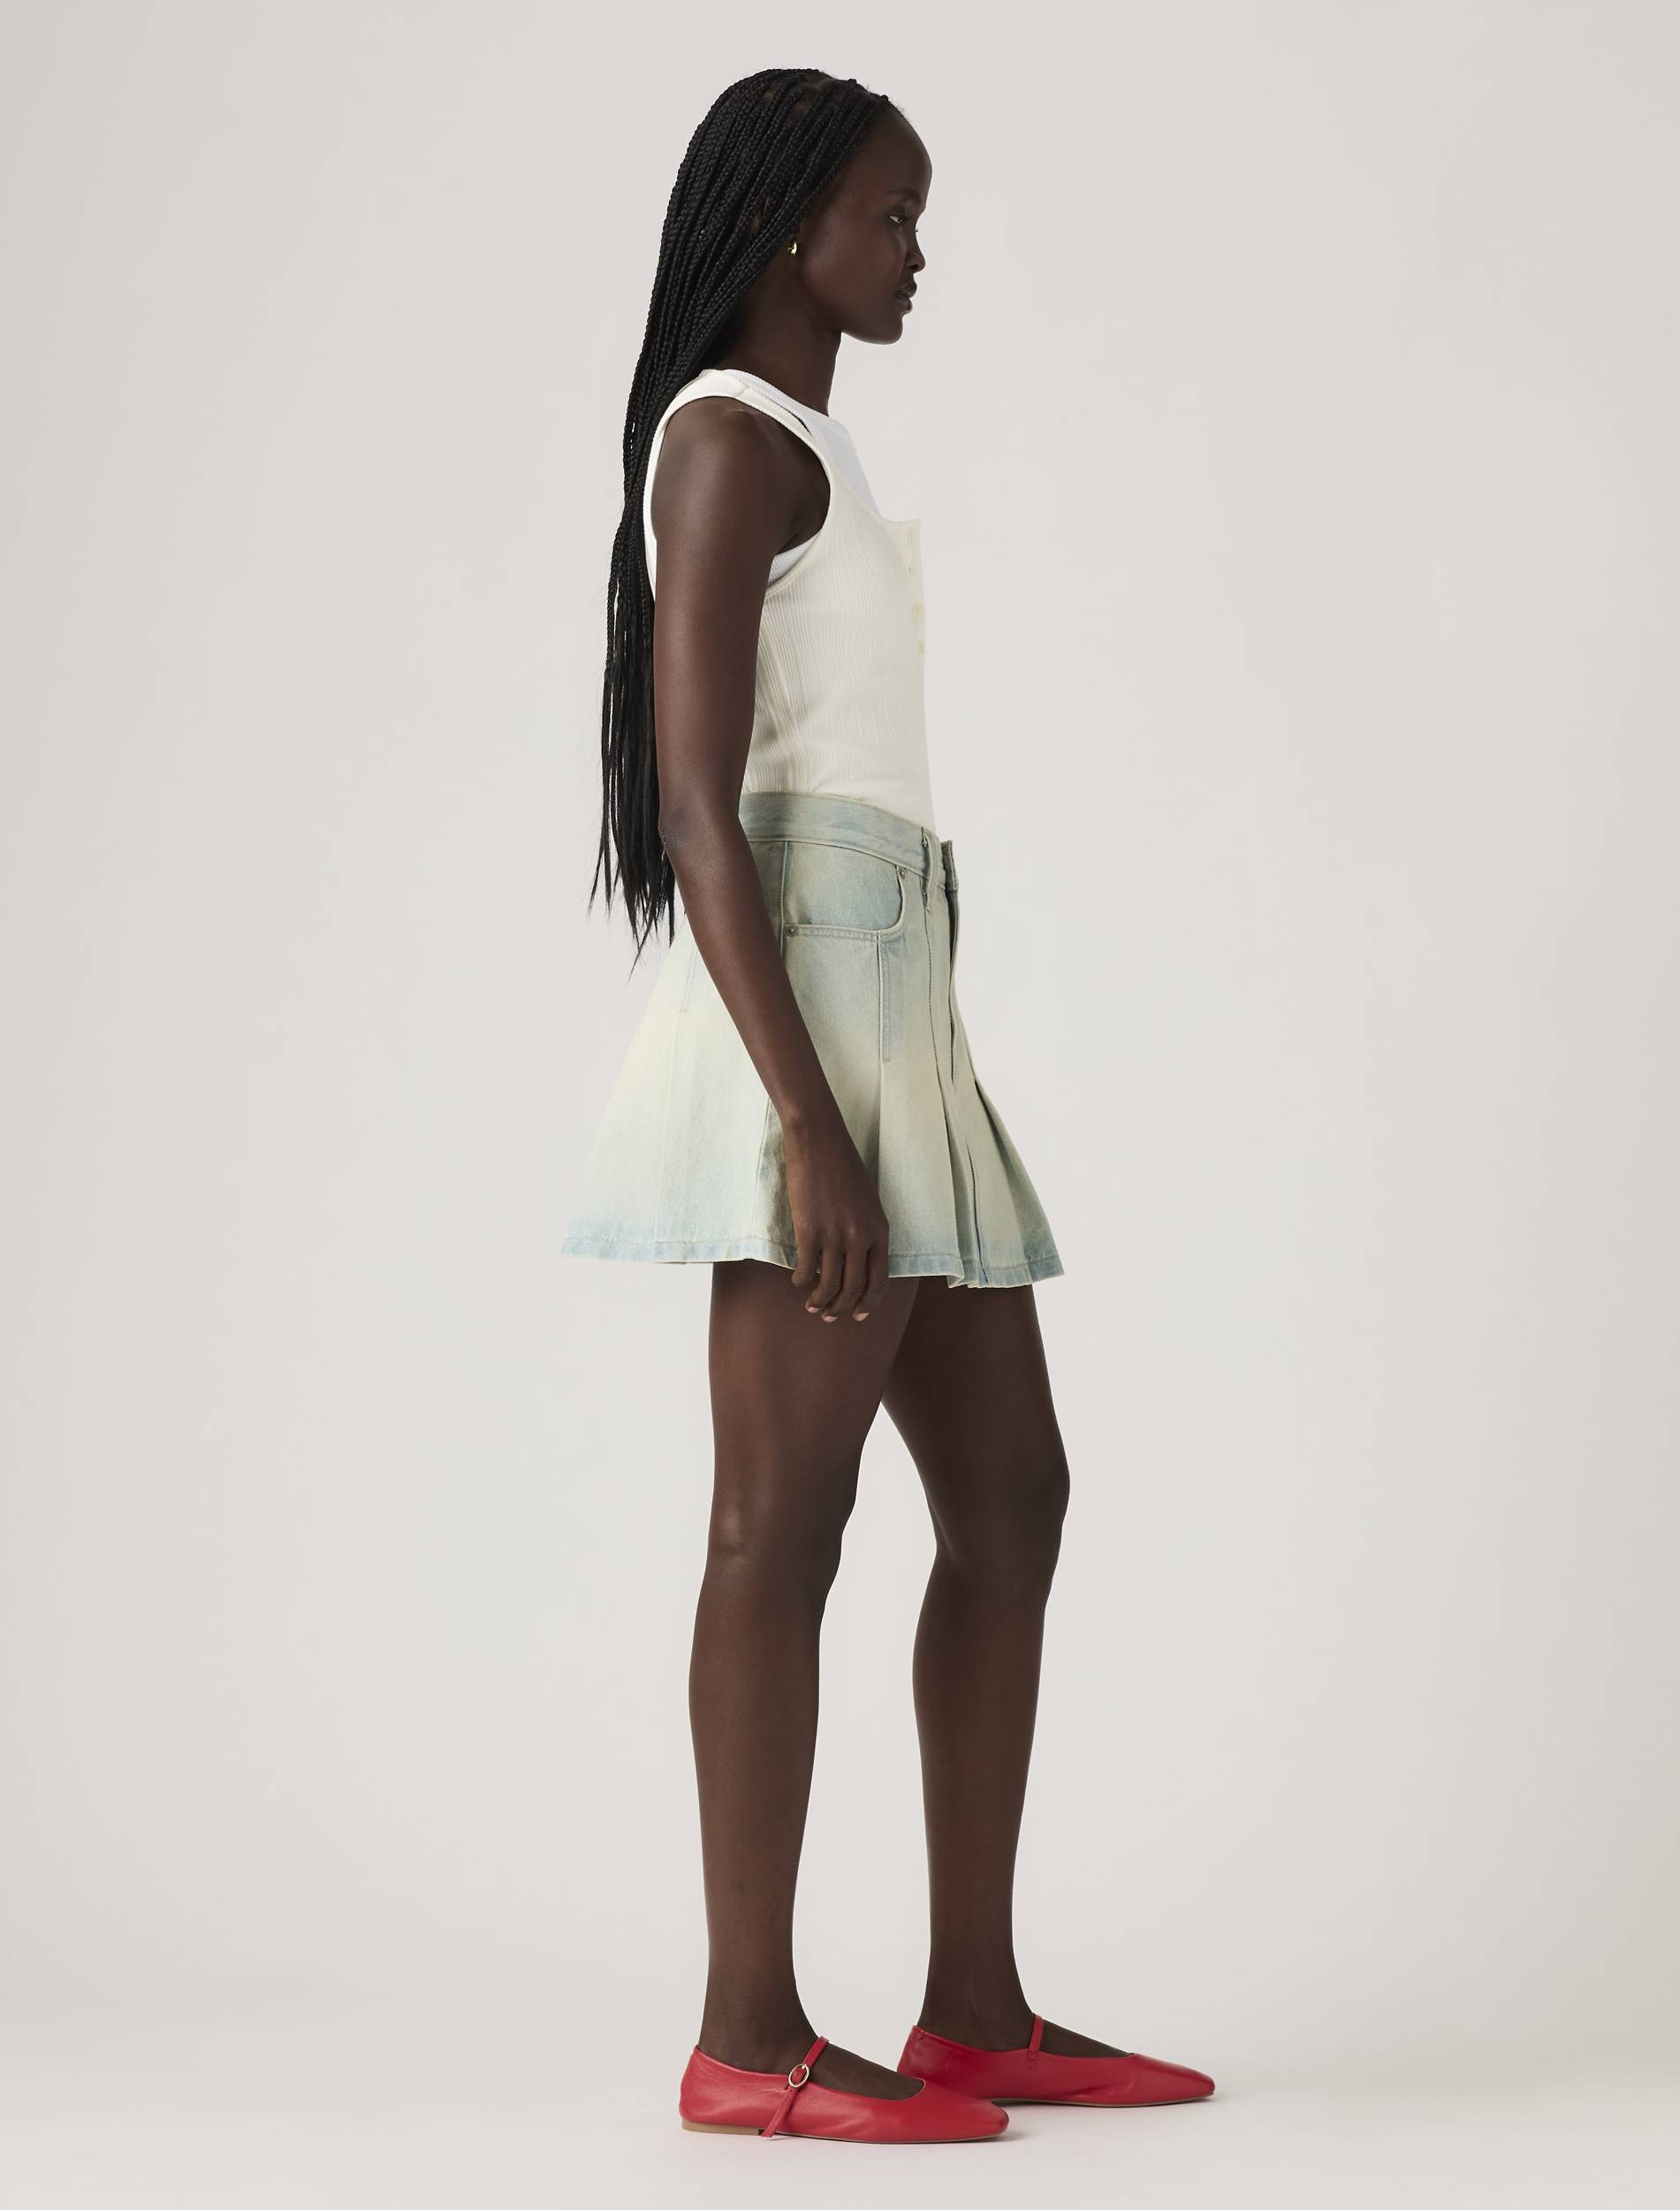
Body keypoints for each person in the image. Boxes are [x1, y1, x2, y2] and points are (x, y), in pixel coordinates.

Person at [561, 66, 1214, 2145]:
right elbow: (697, 806)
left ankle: (975, 2006)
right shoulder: (726, 440)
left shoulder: (804, 439)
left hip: (898, 1004)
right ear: (786, 224)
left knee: (1010, 1495)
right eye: (889, 213)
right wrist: (807, 1122)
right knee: (783, 1516)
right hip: (811, 1037)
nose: (916, 252)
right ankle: (745, 2033)